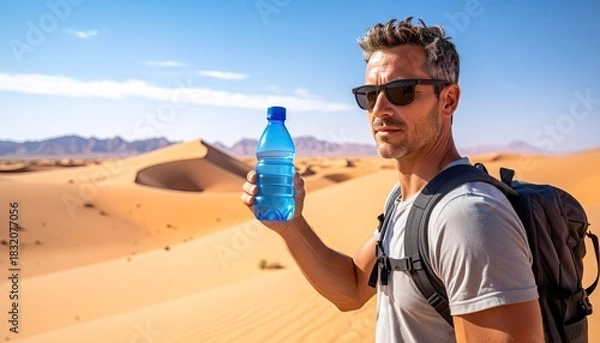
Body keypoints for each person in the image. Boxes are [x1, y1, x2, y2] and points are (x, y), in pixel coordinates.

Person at [241, 17, 544, 342]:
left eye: (401, 92)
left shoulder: (468, 217)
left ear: (448, 100)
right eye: (369, 95)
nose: (379, 109)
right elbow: (352, 289)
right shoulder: (405, 200)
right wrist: (291, 226)